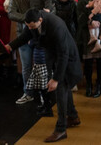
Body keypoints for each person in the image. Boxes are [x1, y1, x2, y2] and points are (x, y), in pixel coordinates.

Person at [6, 9, 83, 143]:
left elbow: (63, 54)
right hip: (53, 55)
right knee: (64, 89)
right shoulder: (33, 22)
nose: (30, 29)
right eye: (28, 26)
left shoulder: (56, 26)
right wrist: (10, 46)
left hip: (67, 58)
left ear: (40, 21)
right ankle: (73, 116)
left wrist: (56, 79)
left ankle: (61, 129)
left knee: (60, 90)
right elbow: (25, 36)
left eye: (32, 27)